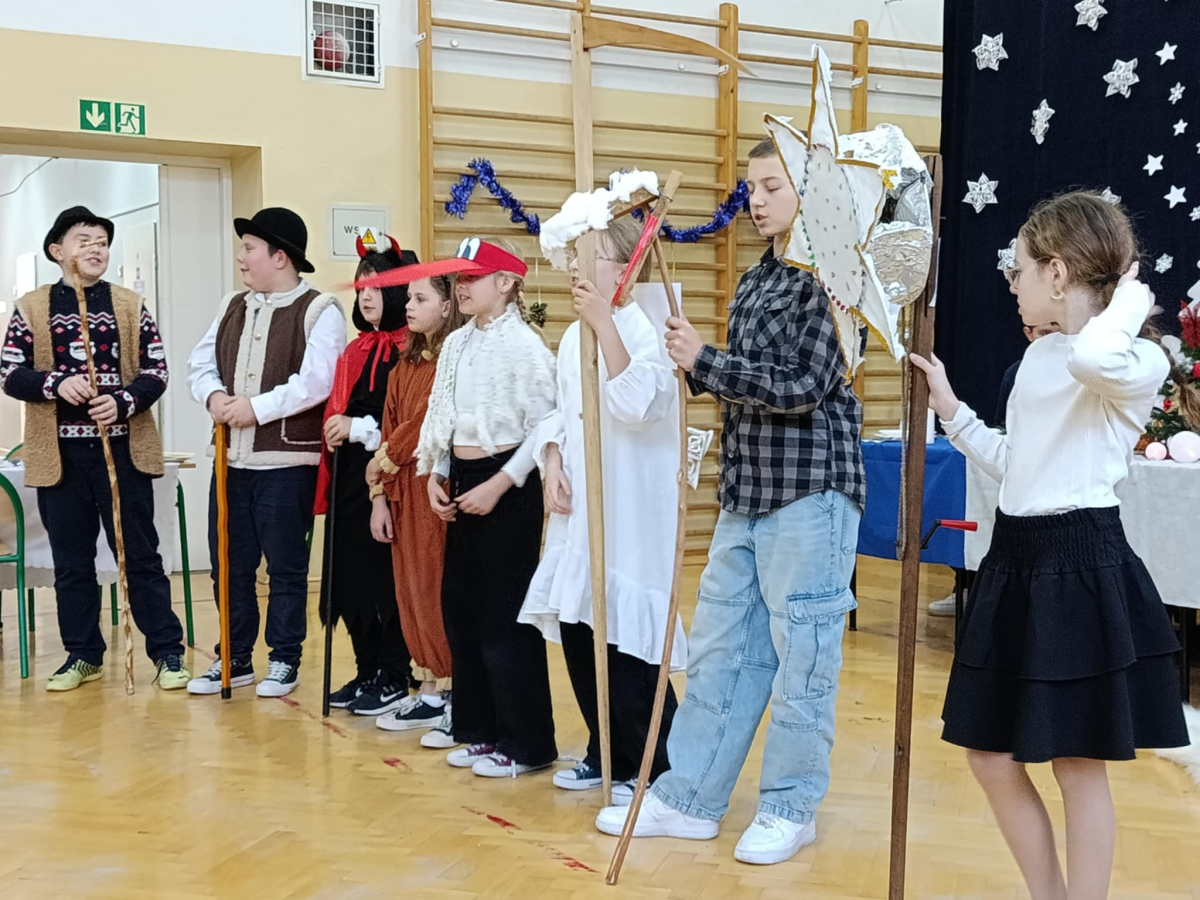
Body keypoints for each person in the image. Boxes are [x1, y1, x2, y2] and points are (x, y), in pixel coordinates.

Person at [596, 138, 866, 866]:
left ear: (812, 193)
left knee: (803, 656)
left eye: (773, 185)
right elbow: (739, 378)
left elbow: (803, 385)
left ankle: (790, 806)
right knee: (721, 649)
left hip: (810, 489)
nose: (757, 199)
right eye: (752, 186)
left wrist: (706, 360)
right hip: (746, 491)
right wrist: (691, 359)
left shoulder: (834, 278)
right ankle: (690, 796)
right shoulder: (754, 279)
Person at [911, 191, 1188, 900]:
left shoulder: (1135, 359)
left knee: (1076, 765)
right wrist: (954, 412)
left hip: (1080, 562)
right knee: (989, 755)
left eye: (1022, 269)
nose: (1013, 284)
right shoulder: (1041, 357)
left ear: (1057, 273)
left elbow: (1095, 356)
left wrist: (1129, 297)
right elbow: (1018, 464)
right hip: (1016, 560)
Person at [518, 215, 684, 802]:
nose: (574, 270)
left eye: (589, 259)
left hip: (629, 507)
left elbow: (637, 403)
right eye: (572, 259)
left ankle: (655, 764)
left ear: (625, 268)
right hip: (580, 512)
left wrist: (604, 325)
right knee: (577, 625)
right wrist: (553, 461)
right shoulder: (570, 338)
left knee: (627, 641)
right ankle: (603, 748)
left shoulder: (648, 329)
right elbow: (560, 412)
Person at [1, 206, 189, 692]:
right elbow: (10, 373)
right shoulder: (31, 307)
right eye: (83, 240)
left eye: (102, 242)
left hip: (123, 453)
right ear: (57, 251)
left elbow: (156, 370)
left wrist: (123, 402)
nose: (96, 249)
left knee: (141, 556)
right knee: (72, 562)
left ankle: (167, 653)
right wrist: (55, 384)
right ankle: (83, 655)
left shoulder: (128, 304)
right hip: (59, 458)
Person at [185, 207, 345, 697]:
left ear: (280, 257)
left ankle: (284, 658)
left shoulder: (320, 310)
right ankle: (234, 657)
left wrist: (256, 408)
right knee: (228, 563)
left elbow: (316, 382)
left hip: (286, 463)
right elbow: (200, 363)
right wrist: (213, 396)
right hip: (230, 460)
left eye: (249, 248)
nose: (241, 257)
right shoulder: (233, 305)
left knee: (285, 567)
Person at [414, 236, 558, 777]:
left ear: (506, 283)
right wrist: (439, 470)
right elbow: (443, 414)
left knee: (506, 615)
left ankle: (527, 743)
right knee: (462, 606)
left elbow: (544, 427)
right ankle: (479, 728)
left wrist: (500, 483)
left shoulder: (526, 346)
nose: (461, 286)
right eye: (458, 277)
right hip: (464, 475)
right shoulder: (455, 343)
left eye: (473, 277)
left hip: (509, 483)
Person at [316, 235, 414, 715]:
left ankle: (395, 672)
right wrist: (336, 429)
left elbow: (406, 422)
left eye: (375, 286)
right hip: (350, 480)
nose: (366, 296)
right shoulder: (357, 350)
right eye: (360, 288)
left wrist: (357, 428)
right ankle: (367, 668)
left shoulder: (410, 350)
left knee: (386, 581)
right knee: (351, 578)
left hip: (392, 479)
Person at [368, 270, 466, 742]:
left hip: (431, 484)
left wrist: (384, 459)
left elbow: (425, 422)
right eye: (408, 297)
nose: (408, 306)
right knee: (407, 588)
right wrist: (380, 494)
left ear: (447, 307)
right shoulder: (401, 367)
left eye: (420, 298)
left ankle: (449, 685)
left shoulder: (449, 361)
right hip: (400, 488)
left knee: (431, 585)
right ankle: (427, 683)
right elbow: (390, 425)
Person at [928, 318, 1061, 618]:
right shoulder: (1019, 375)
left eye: (1058, 330)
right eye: (1044, 332)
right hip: (1021, 529)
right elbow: (1008, 451)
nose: (1052, 339)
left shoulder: (1090, 374)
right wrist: (950, 409)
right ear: (1028, 333)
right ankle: (968, 586)